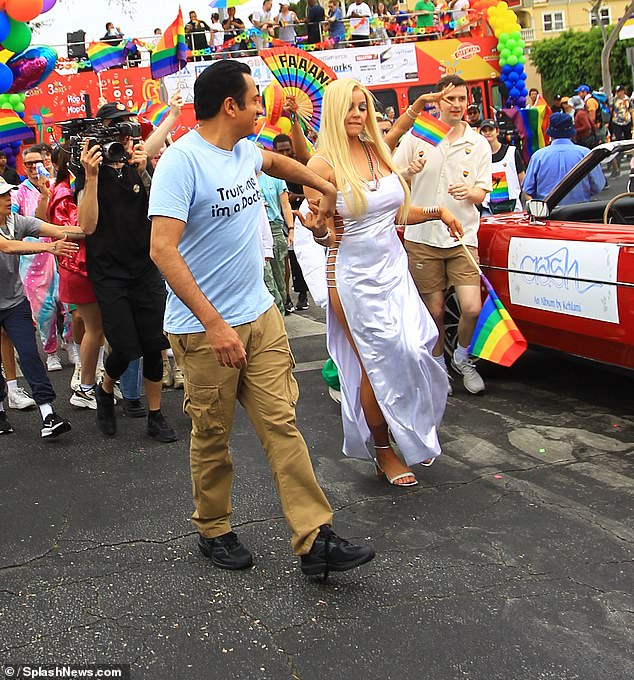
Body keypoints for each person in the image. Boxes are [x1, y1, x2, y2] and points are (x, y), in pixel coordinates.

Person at [148, 60, 375, 577]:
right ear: (231, 106)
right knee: (211, 434)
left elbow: (274, 163)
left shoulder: (244, 150)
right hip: (204, 330)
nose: (261, 106)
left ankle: (315, 539)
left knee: (283, 425)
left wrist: (324, 184)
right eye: (254, 99)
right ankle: (214, 528)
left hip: (261, 316)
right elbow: (162, 250)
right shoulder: (182, 163)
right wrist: (215, 324)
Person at [298, 77, 462, 486]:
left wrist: (439, 212)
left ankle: (409, 431)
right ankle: (384, 450)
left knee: (416, 347)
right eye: (351, 108)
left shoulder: (378, 152)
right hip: (353, 277)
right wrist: (317, 227)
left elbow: (396, 213)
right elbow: (322, 233)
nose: (358, 114)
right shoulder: (321, 166)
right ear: (336, 112)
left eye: (362, 107)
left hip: (394, 271)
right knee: (375, 365)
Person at [77, 101, 177, 443]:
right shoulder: (89, 169)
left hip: (145, 267)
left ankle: (155, 414)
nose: (124, 135)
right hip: (109, 273)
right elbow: (87, 226)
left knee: (153, 344)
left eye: (128, 127)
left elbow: (159, 209)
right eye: (117, 128)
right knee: (126, 347)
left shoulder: (138, 162)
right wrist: (91, 177)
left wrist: (143, 168)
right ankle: (105, 389)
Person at [393, 74, 492, 396]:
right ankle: (437, 364)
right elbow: (393, 178)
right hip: (422, 237)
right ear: (438, 101)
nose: (457, 105)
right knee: (433, 310)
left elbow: (483, 192)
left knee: (472, 307)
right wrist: (409, 171)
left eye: (462, 99)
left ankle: (463, 358)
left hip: (463, 236)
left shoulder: (477, 143)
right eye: (450, 99)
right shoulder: (418, 135)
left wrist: (472, 192)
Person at [0, 177, 81, 438]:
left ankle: (48, 413)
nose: (7, 198)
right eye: (1, 196)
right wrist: (50, 248)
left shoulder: (17, 222)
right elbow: (7, 246)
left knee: (29, 354)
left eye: (7, 193)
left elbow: (57, 230)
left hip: (14, 303)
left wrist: (93, 229)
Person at [47, 146, 104, 410]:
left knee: (101, 328)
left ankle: (94, 381)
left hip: (91, 266)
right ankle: (84, 387)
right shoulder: (62, 191)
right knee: (95, 328)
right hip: (77, 268)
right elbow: (77, 229)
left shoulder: (78, 185)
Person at [12, 145, 66, 373]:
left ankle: (72, 343)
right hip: (34, 260)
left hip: (62, 254)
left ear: (46, 161)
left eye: (38, 162)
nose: (34, 168)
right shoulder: (17, 193)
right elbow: (16, 225)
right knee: (43, 310)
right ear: (23, 167)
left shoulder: (57, 187)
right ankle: (51, 351)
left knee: (68, 304)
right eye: (29, 164)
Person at [523, 112, 605, 204]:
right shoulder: (585, 154)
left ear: (550, 133)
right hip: (580, 211)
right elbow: (598, 186)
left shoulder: (538, 157)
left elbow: (527, 190)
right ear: (571, 132)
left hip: (548, 214)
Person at [272, 133, 311, 311]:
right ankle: (287, 295)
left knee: (298, 257)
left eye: (288, 150)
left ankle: (302, 292)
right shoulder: (272, 170)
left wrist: (297, 197)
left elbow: (311, 190)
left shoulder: (298, 167)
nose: (286, 154)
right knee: (284, 261)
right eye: (282, 151)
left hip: (300, 217)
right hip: (279, 219)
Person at [479, 119, 525, 215]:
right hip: (489, 208)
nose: (488, 133)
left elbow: (522, 178)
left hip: (513, 207)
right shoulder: (479, 157)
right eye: (485, 130)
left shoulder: (512, 152)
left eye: (490, 130)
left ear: (497, 131)